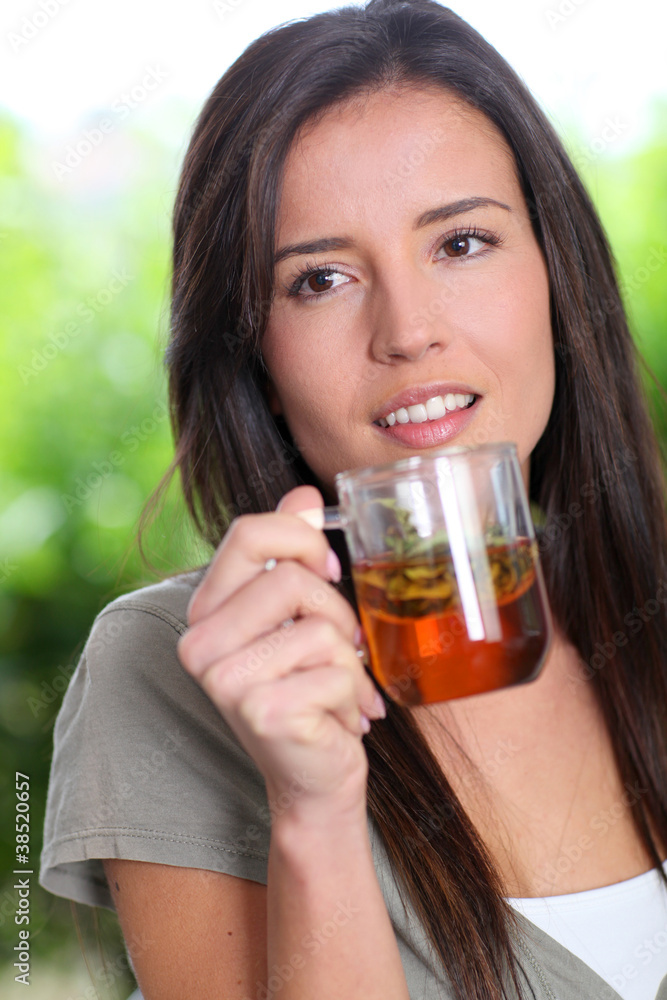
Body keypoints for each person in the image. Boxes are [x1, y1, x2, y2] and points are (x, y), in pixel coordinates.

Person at [39, 1, 667, 998]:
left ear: (557, 273)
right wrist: (314, 812)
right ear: (252, 346)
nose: (407, 331)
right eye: (320, 278)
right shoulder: (168, 668)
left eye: (461, 243)